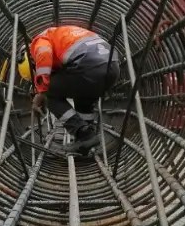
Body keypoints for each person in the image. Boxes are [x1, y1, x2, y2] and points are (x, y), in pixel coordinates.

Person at [19, 25, 120, 155]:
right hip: (112, 68)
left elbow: (44, 55)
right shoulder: (65, 35)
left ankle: (85, 135)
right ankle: (85, 142)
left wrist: (42, 91)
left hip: (88, 65)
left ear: (32, 61)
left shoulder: (39, 42)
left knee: (49, 92)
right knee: (84, 96)